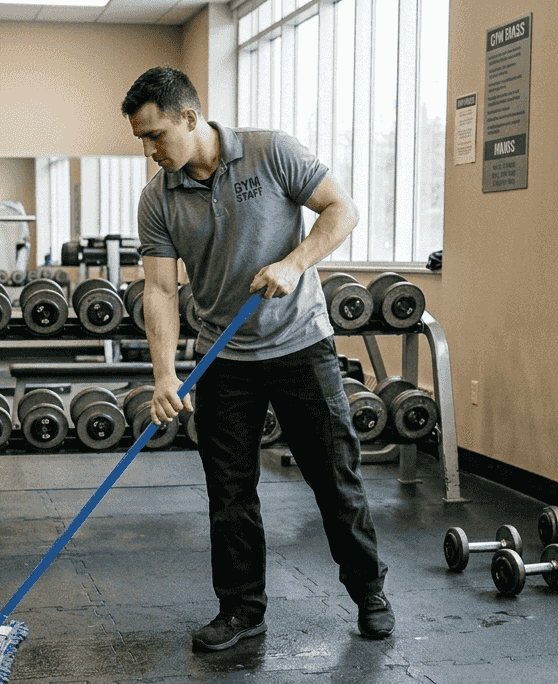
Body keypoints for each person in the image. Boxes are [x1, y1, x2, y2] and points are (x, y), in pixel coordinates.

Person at [123, 66, 393, 651]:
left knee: (334, 478)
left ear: (191, 118)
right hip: (223, 357)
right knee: (230, 492)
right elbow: (162, 291)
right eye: (142, 140)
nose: (150, 151)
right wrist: (165, 374)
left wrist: (295, 264)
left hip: (301, 345)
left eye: (156, 135)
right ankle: (242, 610)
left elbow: (340, 209)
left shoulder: (272, 152)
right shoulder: (157, 198)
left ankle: (369, 590)